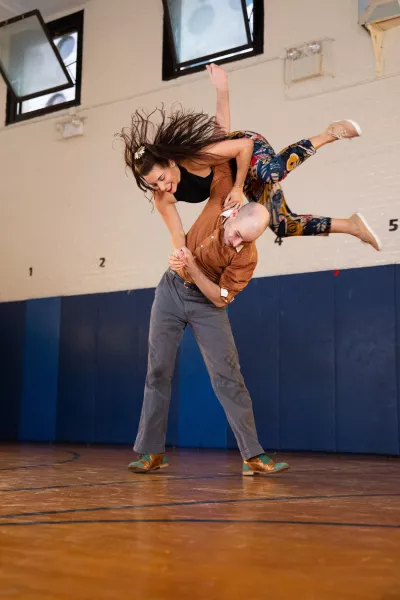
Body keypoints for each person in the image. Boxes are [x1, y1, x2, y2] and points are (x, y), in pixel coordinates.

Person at [128, 161, 289, 476]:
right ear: (233, 215)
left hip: (208, 304)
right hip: (171, 292)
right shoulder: (222, 201)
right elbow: (221, 146)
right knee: (157, 371)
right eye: (240, 235)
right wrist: (239, 182)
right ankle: (151, 453)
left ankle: (253, 455)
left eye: (249, 240)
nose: (239, 243)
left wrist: (191, 266)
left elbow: (220, 297)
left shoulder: (246, 257)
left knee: (228, 377)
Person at [119, 64, 381, 252]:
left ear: (172, 162)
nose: (162, 187)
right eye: (154, 184)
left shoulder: (197, 157)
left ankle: (330, 133)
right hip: (238, 173)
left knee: (269, 172)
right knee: (282, 225)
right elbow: (177, 233)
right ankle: (351, 226)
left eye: (162, 178)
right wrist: (180, 253)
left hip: (247, 148)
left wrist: (223, 89)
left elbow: (235, 143)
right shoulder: (163, 197)